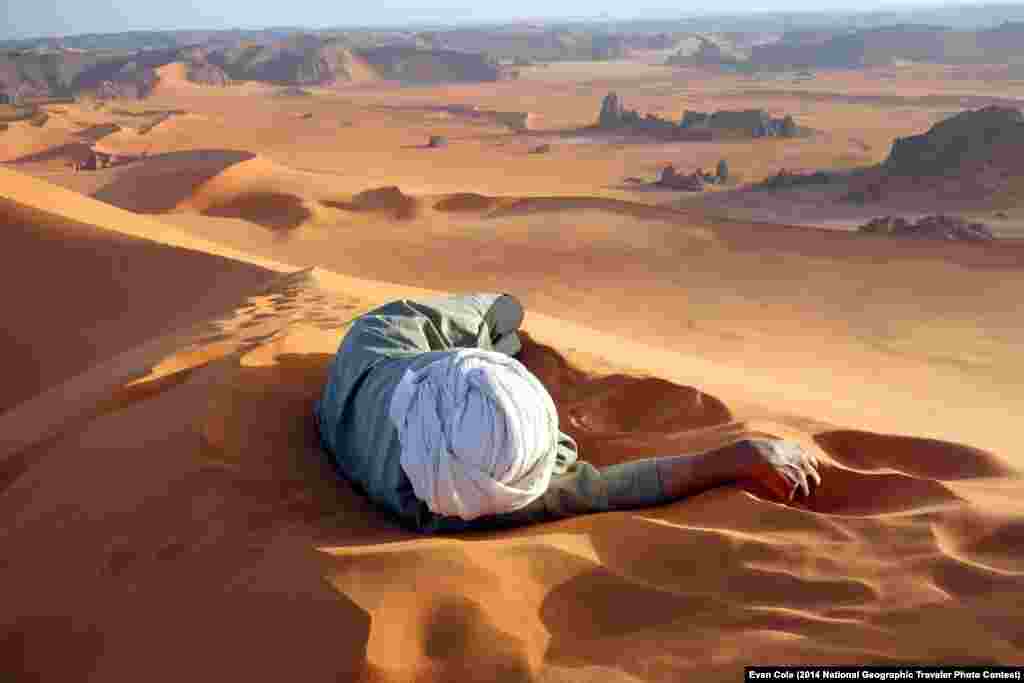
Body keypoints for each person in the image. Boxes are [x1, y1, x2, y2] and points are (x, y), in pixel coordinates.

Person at [314, 292, 822, 534]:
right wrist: (733, 458)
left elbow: (601, 487)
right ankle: (498, 345)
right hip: (402, 376)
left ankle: (494, 344)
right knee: (503, 319)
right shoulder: (479, 497)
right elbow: (610, 489)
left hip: (376, 355)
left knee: (499, 319)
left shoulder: (442, 495)